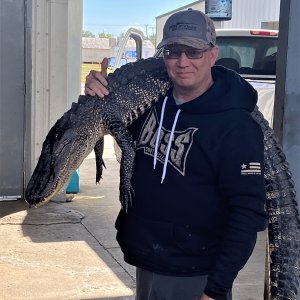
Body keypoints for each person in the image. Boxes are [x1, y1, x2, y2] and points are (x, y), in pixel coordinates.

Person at [85, 9, 267, 300]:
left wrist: (216, 290)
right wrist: (96, 95)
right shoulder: (147, 106)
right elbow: (104, 127)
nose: (183, 62)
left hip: (197, 277)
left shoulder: (236, 126)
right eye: (173, 51)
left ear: (212, 55)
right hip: (147, 263)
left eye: (193, 51)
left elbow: (248, 214)